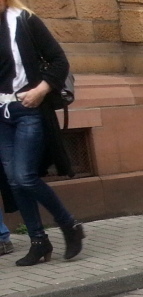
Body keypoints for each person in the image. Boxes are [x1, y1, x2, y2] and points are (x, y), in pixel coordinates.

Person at [0, 0, 83, 266]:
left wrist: (41, 90)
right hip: (1, 112)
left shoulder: (25, 20)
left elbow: (59, 60)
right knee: (13, 181)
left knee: (24, 177)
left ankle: (69, 225)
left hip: (28, 108)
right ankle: (39, 242)